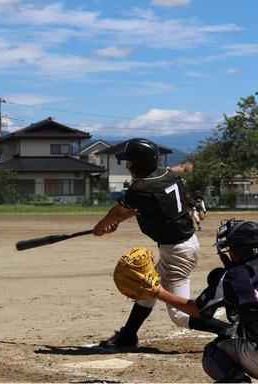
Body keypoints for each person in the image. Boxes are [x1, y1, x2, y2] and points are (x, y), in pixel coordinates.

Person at [93, 138, 229, 349]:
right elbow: (136, 208)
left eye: (129, 161)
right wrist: (114, 223)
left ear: (141, 163)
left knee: (179, 315)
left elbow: (120, 210)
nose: (127, 165)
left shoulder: (141, 187)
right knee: (146, 289)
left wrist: (101, 227)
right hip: (181, 245)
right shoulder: (166, 175)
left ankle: (229, 331)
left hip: (177, 252)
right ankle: (128, 335)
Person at [114, 219, 258, 383]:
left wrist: (157, 292)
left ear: (238, 249)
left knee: (214, 351)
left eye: (230, 247)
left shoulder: (233, 275)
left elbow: (197, 309)